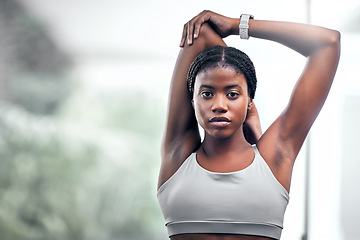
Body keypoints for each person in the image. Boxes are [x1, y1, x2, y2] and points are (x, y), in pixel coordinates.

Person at [157, 10, 340, 240]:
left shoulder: (275, 157)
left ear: (250, 102)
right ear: (192, 100)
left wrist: (237, 25)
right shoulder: (177, 155)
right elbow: (201, 34)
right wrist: (233, 74)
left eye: (233, 94)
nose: (219, 105)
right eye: (207, 93)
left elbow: (328, 43)